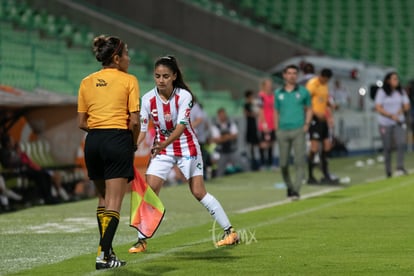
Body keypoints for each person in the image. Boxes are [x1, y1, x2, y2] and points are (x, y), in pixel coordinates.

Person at [129, 55, 239, 254]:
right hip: (163, 149)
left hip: (186, 147)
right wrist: (132, 147)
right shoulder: (147, 99)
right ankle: (141, 241)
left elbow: (181, 127)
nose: (161, 80)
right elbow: (143, 131)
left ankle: (230, 231)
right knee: (150, 191)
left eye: (165, 76)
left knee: (198, 192)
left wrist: (163, 144)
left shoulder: (184, 96)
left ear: (174, 76)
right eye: (157, 76)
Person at [77, 35, 140, 270]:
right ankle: (103, 254)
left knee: (103, 200)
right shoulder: (128, 80)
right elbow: (134, 121)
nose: (129, 58)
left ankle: (108, 251)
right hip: (117, 139)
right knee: (115, 201)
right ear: (116, 58)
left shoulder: (86, 81)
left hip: (93, 141)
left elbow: (82, 121)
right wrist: (132, 143)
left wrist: (100, 130)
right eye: (126, 55)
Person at [274, 64, 313, 200]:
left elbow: (309, 108)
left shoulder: (303, 92)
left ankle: (296, 190)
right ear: (284, 75)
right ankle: (289, 187)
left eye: (294, 73)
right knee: (283, 164)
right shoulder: (279, 93)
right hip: (283, 130)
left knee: (299, 161)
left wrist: (307, 124)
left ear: (297, 75)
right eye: (289, 73)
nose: (292, 76)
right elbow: (276, 112)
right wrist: (276, 129)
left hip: (298, 129)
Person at [374, 72, 410, 177]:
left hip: (399, 122)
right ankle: (388, 171)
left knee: (401, 143)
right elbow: (378, 107)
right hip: (385, 123)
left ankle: (400, 167)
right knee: (387, 147)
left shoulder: (401, 91)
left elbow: (407, 105)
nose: (396, 80)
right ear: (388, 80)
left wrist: (400, 111)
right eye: (394, 79)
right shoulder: (382, 92)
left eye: (397, 79)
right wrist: (390, 115)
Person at [306, 68, 338, 184]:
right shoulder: (312, 84)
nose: (326, 82)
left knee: (326, 146)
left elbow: (324, 100)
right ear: (321, 76)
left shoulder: (325, 86)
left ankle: (325, 174)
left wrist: (331, 105)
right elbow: (306, 101)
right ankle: (310, 176)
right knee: (314, 148)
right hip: (314, 119)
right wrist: (314, 113)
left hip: (323, 120)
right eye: (325, 79)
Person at [210, 107, 240, 177]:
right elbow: (216, 139)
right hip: (222, 152)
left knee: (240, 167)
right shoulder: (215, 126)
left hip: (232, 151)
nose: (222, 116)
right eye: (221, 115)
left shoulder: (231, 124)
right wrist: (228, 136)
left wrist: (223, 137)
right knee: (220, 171)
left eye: (224, 114)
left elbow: (235, 135)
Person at [257, 78, 276, 170]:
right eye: (268, 85)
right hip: (265, 124)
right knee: (264, 143)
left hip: (272, 123)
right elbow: (260, 110)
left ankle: (270, 163)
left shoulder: (273, 96)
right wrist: (264, 123)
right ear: (264, 86)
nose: (269, 86)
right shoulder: (261, 96)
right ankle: (262, 163)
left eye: (270, 84)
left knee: (271, 143)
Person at [243, 89, 260, 170]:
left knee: (256, 144)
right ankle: (252, 162)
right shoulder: (246, 105)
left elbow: (257, 113)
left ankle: (256, 162)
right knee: (251, 145)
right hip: (249, 126)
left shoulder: (254, 104)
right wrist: (252, 114)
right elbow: (247, 113)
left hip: (254, 125)